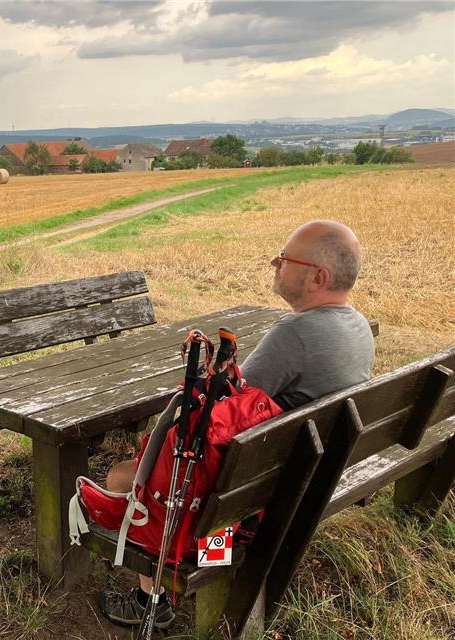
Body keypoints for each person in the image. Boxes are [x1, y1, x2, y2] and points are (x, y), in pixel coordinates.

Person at [99, 219, 374, 629]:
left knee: (122, 477)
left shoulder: (294, 333)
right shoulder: (358, 327)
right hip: (298, 478)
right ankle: (210, 566)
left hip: (247, 498)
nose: (275, 263)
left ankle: (150, 600)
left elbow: (223, 408)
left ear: (318, 277)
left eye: (285, 259)